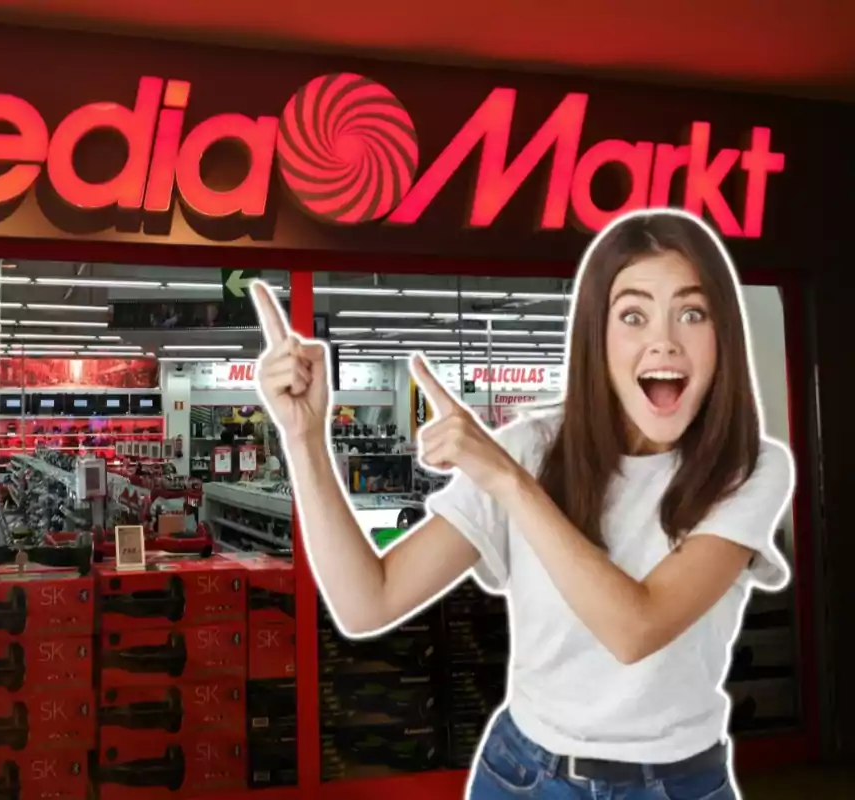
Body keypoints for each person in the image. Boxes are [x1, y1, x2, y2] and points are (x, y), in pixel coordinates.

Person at [250, 208, 794, 800]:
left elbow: (636, 630)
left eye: (693, 312)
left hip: (678, 782)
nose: (663, 339)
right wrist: (303, 438)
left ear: (723, 337)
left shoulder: (751, 470)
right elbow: (366, 602)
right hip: (525, 777)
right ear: (597, 337)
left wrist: (512, 483)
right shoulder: (530, 447)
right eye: (633, 315)